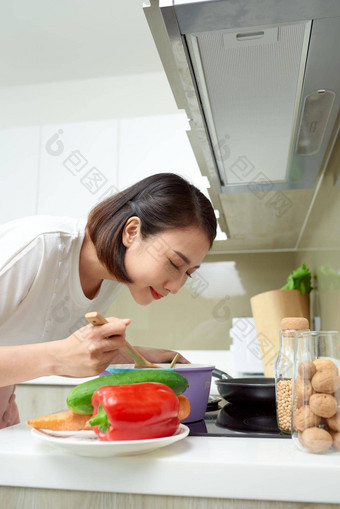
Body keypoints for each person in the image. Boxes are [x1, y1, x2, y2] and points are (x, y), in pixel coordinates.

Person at [0, 173, 217, 427]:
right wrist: (58, 357)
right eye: (174, 263)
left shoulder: (111, 278)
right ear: (132, 232)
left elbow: (45, 340)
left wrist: (131, 355)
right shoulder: (38, 246)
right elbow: (60, 352)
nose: (177, 286)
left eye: (188, 274)